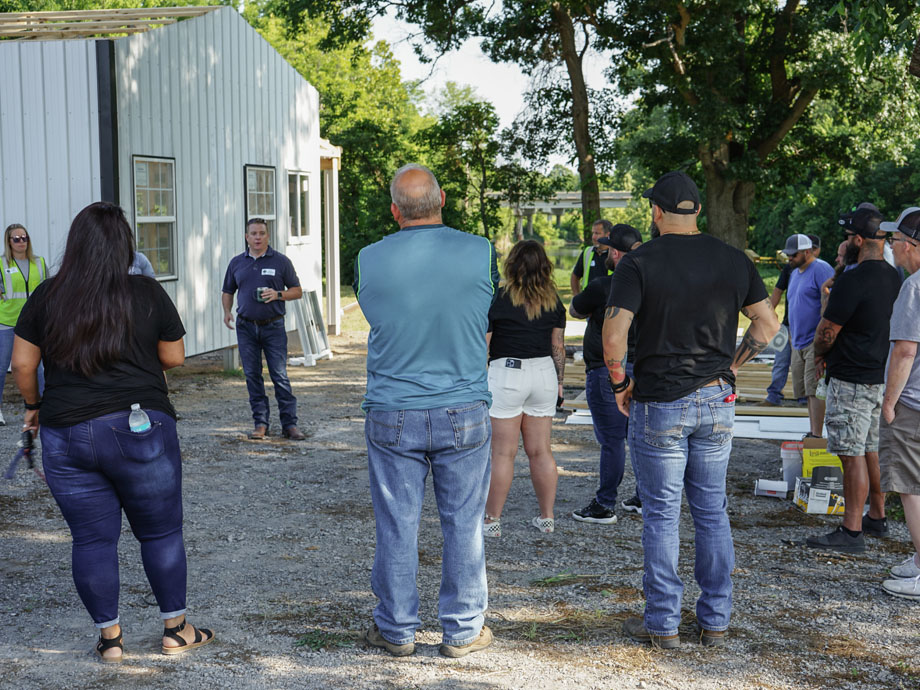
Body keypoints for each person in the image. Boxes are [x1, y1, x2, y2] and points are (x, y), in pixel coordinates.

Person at [11, 202, 213, 662]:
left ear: (75, 246)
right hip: (139, 427)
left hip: (66, 433)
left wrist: (33, 408)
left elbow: (23, 364)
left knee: (92, 540)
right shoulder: (145, 292)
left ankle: (110, 640)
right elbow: (175, 356)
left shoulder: (46, 295)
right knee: (160, 533)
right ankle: (175, 630)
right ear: (125, 246)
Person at [604, 171, 778, 649]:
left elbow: (614, 335)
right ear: (697, 211)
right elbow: (768, 322)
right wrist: (735, 364)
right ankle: (716, 623)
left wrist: (620, 382)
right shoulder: (733, 260)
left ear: (656, 212)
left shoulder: (638, 262)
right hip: (716, 397)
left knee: (661, 514)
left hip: (660, 400)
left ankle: (663, 625)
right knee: (711, 510)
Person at [354, 164, 498, 658]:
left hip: (393, 408)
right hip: (464, 406)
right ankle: (462, 630)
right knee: (465, 522)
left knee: (397, 522)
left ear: (395, 211)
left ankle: (396, 630)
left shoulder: (369, 259)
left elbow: (374, 312)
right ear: (442, 201)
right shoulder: (480, 250)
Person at [806, 207, 902, 553]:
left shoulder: (853, 279)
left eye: (848, 238)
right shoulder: (893, 276)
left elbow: (827, 332)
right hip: (878, 375)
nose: (844, 244)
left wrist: (819, 354)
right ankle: (877, 516)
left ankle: (852, 530)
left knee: (851, 454)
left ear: (859, 241)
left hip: (851, 378)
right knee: (870, 449)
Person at [484, 240, 566, 536]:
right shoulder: (553, 300)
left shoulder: (499, 298)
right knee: (540, 451)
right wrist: (559, 383)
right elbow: (558, 346)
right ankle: (547, 517)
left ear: (512, 264)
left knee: (503, 454)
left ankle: (492, 521)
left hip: (507, 373)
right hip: (543, 373)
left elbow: (485, 345)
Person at [570, 224, 643, 524]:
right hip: (643, 368)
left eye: (609, 249)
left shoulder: (603, 286)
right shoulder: (650, 285)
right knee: (638, 437)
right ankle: (643, 497)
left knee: (612, 440)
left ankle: (604, 504)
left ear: (615, 252)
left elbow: (575, 310)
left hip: (606, 369)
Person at [221, 218, 305, 440]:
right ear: (247, 237)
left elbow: (297, 291)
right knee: (252, 376)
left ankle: (290, 425)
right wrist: (227, 311)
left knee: (279, 375)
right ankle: (260, 423)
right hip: (246, 327)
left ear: (268, 236)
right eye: (253, 233)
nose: (258, 237)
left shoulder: (281, 262)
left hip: (273, 327)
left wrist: (278, 294)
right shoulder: (236, 263)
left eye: (261, 233)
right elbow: (227, 290)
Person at [876, 208, 920, 596]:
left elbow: (905, 351)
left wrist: (889, 402)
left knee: (910, 486)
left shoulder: (914, 286)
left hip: (914, 402)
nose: (892, 247)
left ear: (912, 246)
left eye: (896, 241)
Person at [783, 233, 834, 437]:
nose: (789, 259)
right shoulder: (794, 272)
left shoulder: (821, 269)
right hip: (797, 341)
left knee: (814, 389)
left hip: (815, 341)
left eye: (793, 255)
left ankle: (816, 434)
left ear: (807, 252)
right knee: (804, 391)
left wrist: (824, 338)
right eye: (788, 255)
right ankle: (813, 429)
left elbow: (832, 300)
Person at [0, 223, 47, 426]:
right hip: (7, 322)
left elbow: (48, 289)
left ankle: (45, 406)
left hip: (34, 323)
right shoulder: (1, 264)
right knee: (1, 368)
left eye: (24, 238)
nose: (21, 242)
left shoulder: (40, 262)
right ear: (8, 242)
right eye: (16, 239)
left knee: (42, 368)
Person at [570, 219, 613, 295]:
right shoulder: (587, 252)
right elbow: (575, 276)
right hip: (587, 304)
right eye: (593, 233)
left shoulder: (615, 255)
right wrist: (577, 297)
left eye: (597, 233)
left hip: (607, 304)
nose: (593, 237)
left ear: (608, 235)